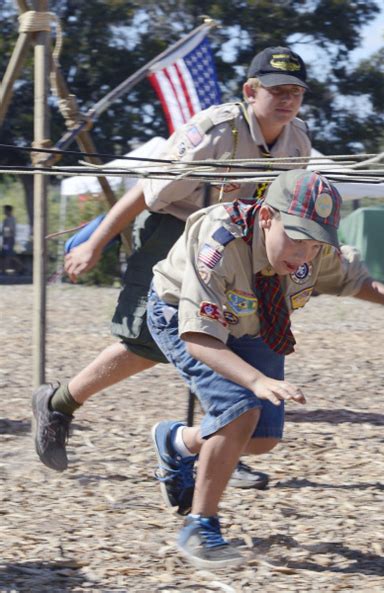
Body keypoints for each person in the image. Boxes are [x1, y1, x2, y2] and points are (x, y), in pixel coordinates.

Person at [32, 47, 312, 489]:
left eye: (295, 92)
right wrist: (95, 243)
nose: (287, 100)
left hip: (240, 245)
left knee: (234, 335)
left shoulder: (297, 139)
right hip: (174, 231)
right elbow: (146, 191)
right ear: (250, 91)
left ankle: (225, 440)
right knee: (150, 340)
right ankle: (60, 403)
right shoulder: (215, 132)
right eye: (276, 90)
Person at [146, 169, 384, 568]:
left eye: (314, 244)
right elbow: (198, 337)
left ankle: (178, 442)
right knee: (239, 410)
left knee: (260, 439)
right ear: (266, 217)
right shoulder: (221, 241)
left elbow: (347, 277)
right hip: (183, 317)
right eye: (295, 239)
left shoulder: (312, 250)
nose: (303, 255)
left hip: (254, 320)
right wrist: (256, 380)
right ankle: (199, 527)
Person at [1, 205, 24, 275]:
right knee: (9, 255)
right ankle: (22, 268)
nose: (3, 211)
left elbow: (9, 230)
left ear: (8, 211)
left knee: (7, 255)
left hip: (9, 240)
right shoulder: (7, 219)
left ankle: (4, 271)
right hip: (7, 240)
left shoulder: (10, 219)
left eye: (5, 210)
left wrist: (6, 241)